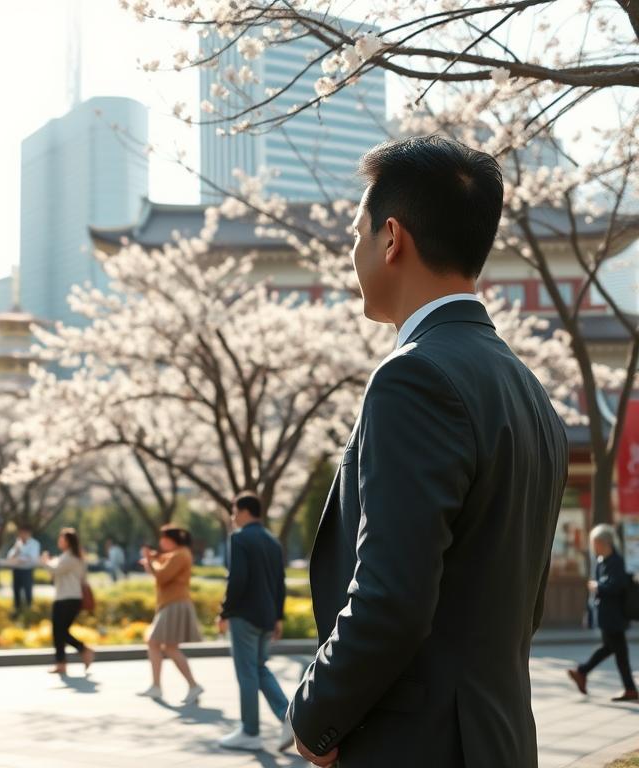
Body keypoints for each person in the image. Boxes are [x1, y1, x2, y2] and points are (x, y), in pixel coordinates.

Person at [288, 136, 568, 767]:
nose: (353, 251)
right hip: (498, 739)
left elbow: (391, 595)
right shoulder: (529, 390)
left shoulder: (413, 377)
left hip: (419, 745)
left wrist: (316, 717)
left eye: (357, 232)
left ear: (392, 238)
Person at [216, 492, 293, 752]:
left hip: (245, 616)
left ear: (246, 511)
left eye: (234, 511)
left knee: (247, 671)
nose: (232, 517)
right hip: (267, 616)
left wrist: (224, 612)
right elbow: (279, 583)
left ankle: (250, 732)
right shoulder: (272, 542)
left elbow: (237, 579)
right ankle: (289, 717)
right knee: (259, 668)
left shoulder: (239, 538)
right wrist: (279, 616)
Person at [569, 525, 638, 701]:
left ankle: (582, 672)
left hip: (615, 615)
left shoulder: (616, 561)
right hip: (605, 614)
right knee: (614, 649)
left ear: (602, 542)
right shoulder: (602, 561)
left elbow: (617, 585)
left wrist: (598, 586)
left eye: (594, 542)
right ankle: (583, 672)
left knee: (614, 649)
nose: (592, 546)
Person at [139, 525, 203, 704]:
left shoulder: (180, 554)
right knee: (168, 646)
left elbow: (162, 575)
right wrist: (151, 560)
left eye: (163, 538)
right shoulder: (178, 554)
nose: (160, 543)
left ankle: (162, 686)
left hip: (175, 604)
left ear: (171, 540)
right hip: (172, 603)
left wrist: (149, 560)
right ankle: (185, 685)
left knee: (158, 643)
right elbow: (160, 566)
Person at [41, 527, 94, 675]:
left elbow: (55, 570)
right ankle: (62, 663)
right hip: (65, 597)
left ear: (69, 542)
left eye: (62, 539)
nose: (59, 541)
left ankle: (82, 650)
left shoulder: (71, 558)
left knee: (60, 631)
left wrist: (45, 561)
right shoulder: (70, 557)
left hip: (67, 598)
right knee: (59, 632)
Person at [6, 524, 40, 616]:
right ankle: (17, 611)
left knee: (28, 591)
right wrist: (18, 555)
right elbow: (10, 557)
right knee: (16, 592)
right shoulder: (18, 543)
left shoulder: (34, 543)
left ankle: (29, 611)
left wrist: (19, 559)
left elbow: (32, 558)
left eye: (24, 533)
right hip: (17, 571)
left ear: (28, 533)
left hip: (27, 571)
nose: (22, 535)